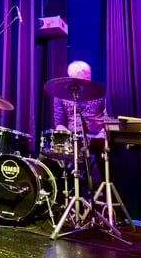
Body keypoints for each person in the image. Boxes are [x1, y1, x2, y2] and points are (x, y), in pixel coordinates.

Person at [52, 60, 107, 189]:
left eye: (89, 74)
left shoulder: (99, 93)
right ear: (73, 78)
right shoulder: (60, 96)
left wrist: (103, 131)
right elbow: (59, 123)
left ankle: (97, 191)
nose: (89, 77)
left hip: (95, 137)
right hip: (73, 139)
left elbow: (107, 117)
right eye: (85, 75)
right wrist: (65, 137)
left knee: (97, 159)